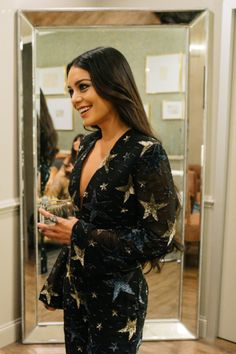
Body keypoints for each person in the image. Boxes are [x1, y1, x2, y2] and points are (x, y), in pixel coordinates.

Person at [37, 47, 181, 354]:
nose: (75, 99)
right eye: (70, 90)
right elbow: (85, 218)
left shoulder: (146, 152)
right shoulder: (87, 144)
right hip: (78, 291)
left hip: (118, 300)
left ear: (113, 84)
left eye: (83, 87)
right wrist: (56, 282)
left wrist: (77, 232)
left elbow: (159, 238)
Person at [44, 134, 84, 199]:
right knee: (57, 175)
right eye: (75, 140)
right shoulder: (70, 157)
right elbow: (61, 172)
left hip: (77, 184)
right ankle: (48, 200)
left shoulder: (85, 158)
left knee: (60, 179)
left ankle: (48, 199)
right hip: (65, 181)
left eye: (79, 141)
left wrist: (74, 170)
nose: (75, 143)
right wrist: (51, 179)